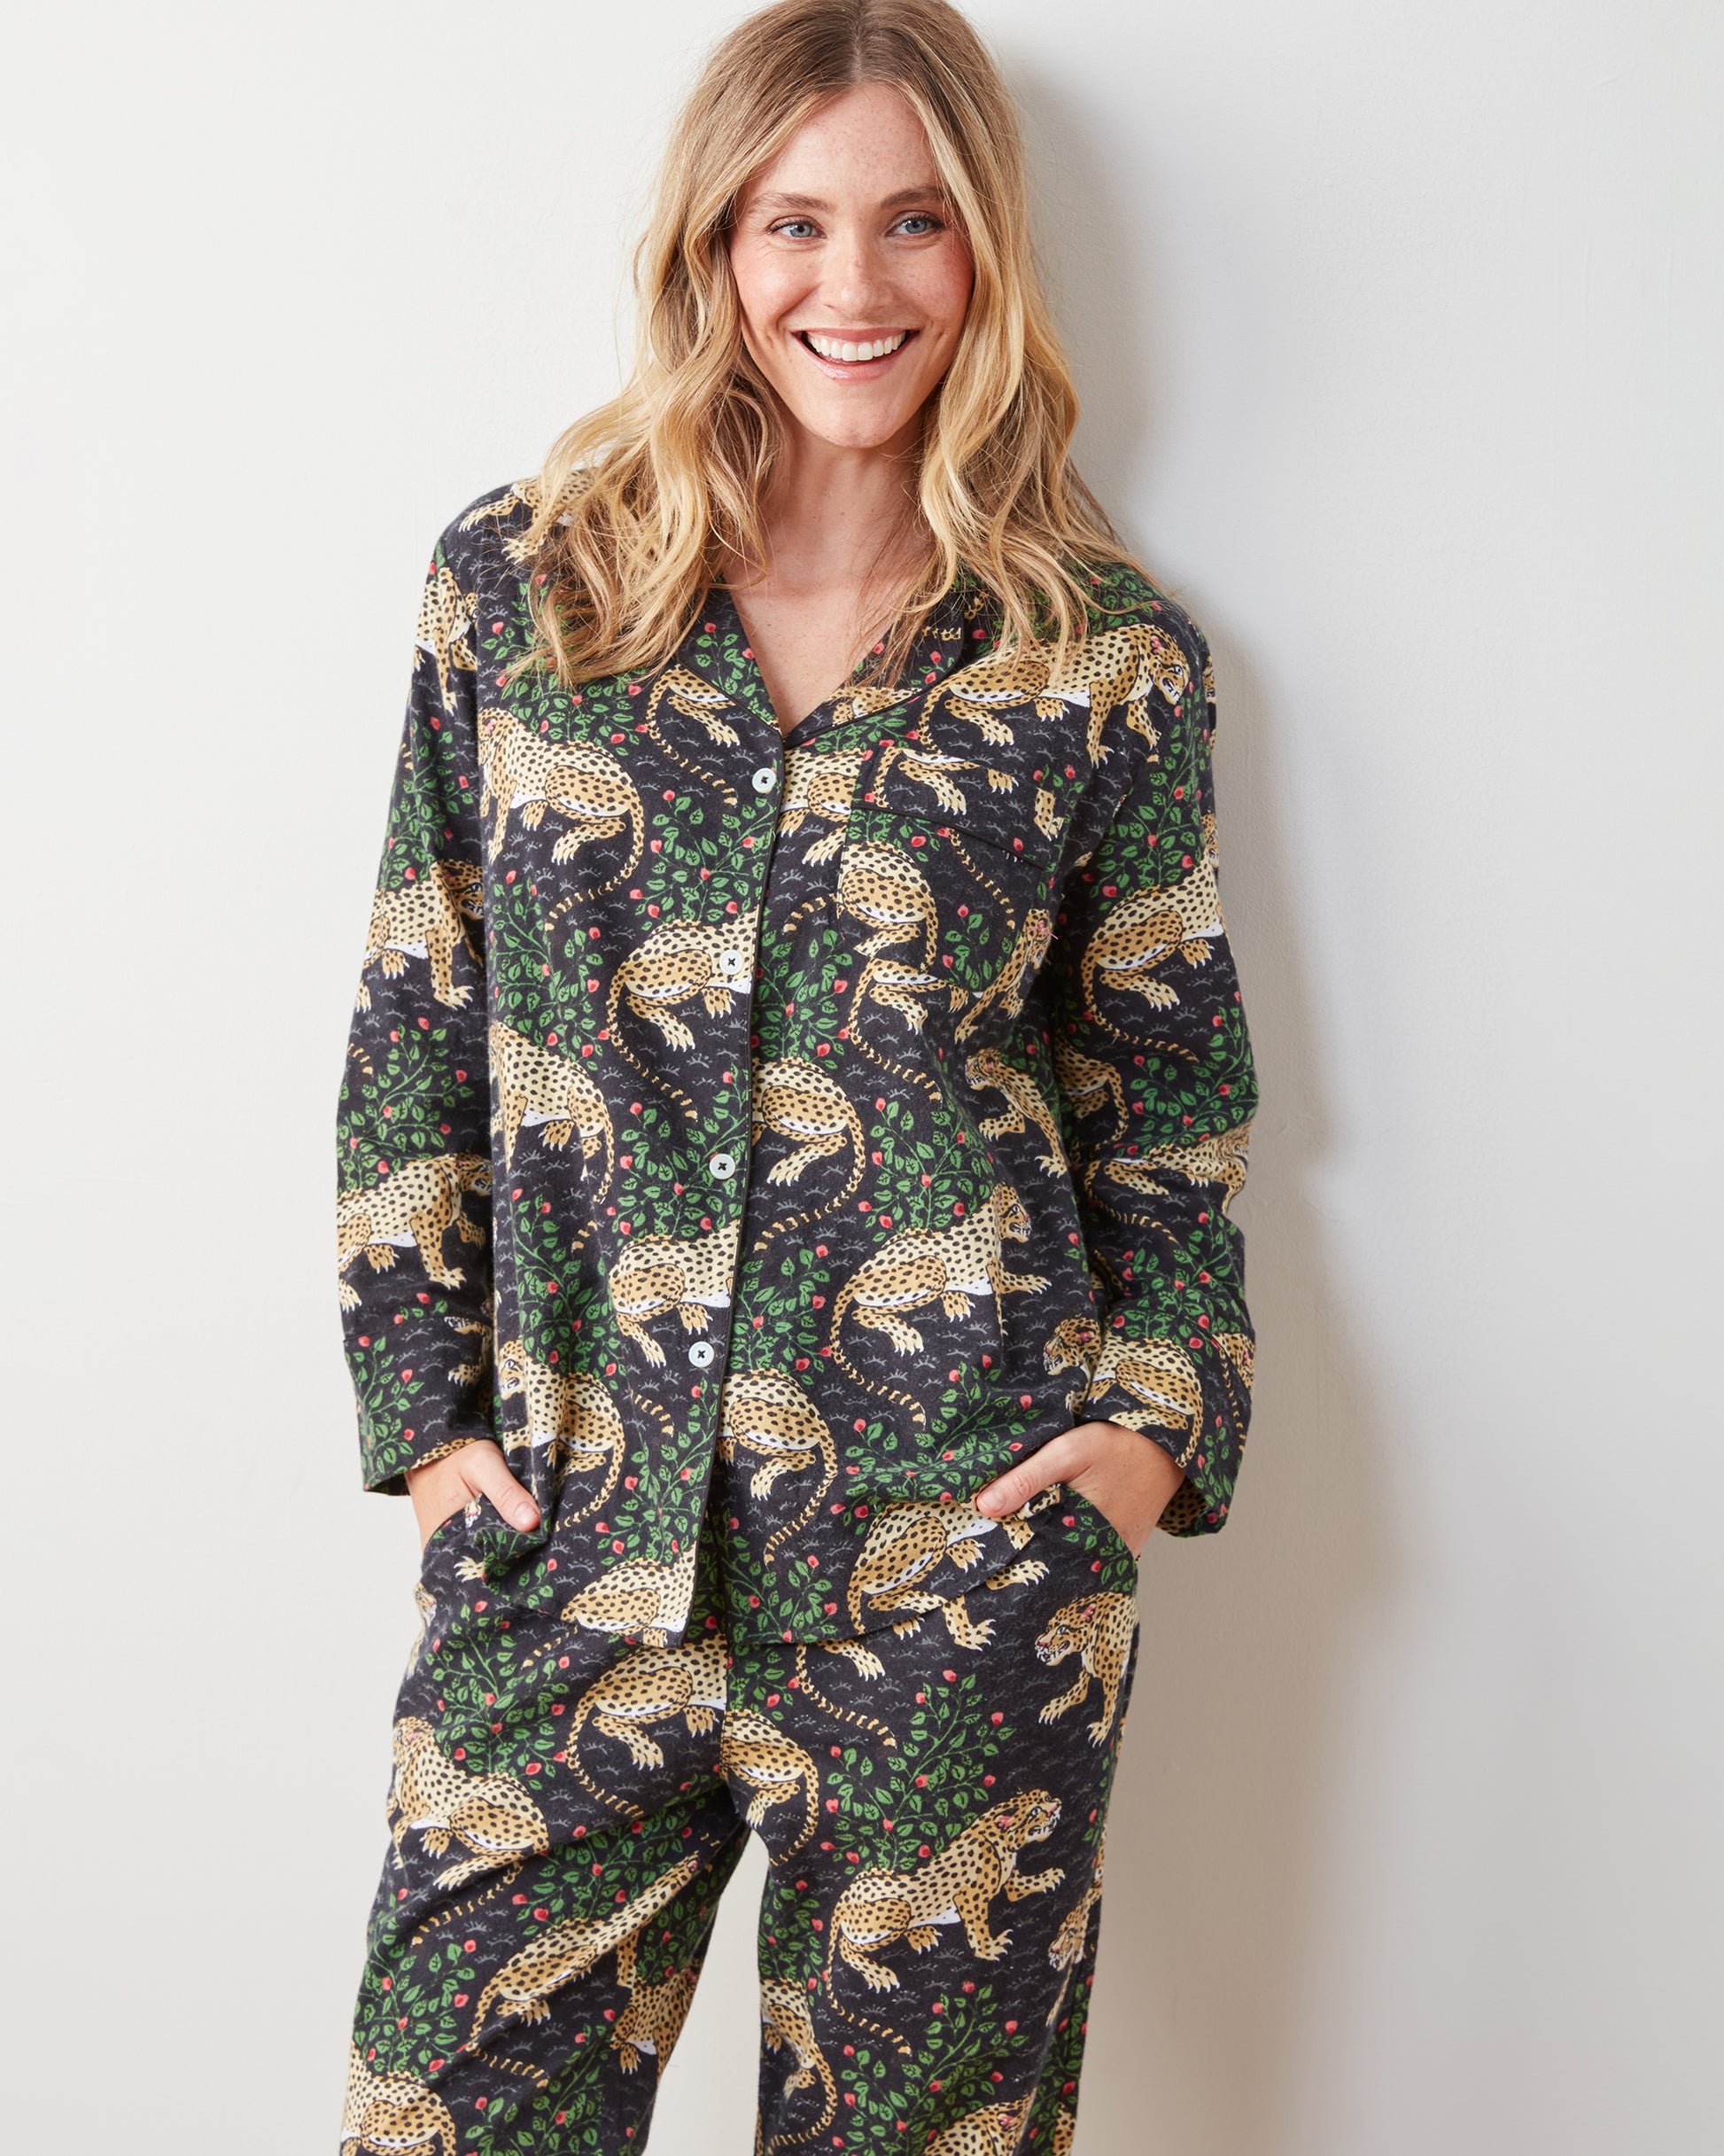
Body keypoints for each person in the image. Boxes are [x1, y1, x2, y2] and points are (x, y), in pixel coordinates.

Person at [333, 3, 1258, 2149]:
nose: (858, 283)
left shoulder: (1097, 657)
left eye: (916, 222)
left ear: (985, 248)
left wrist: (1144, 1434)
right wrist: (426, 1422)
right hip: (567, 1542)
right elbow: (415, 1016)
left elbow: (1170, 1100)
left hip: (956, 1562)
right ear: (715, 246)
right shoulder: (522, 588)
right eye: (798, 223)